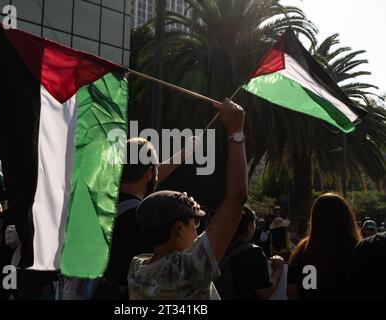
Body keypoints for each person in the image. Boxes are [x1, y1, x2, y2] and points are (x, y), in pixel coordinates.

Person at [127, 99, 248, 300]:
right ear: (178, 229)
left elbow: (143, 187)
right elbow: (237, 199)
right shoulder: (186, 271)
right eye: (195, 221)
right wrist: (236, 132)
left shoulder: (137, 269)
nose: (199, 230)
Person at [62, 136, 200, 300]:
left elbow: (143, 178)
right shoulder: (143, 219)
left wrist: (181, 155)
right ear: (149, 173)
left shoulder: (99, 205)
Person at [287, 193, 361, 300]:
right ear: (347, 217)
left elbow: (293, 292)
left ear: (315, 218)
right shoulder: (357, 249)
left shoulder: (302, 251)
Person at [218, 206, 284, 300]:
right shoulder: (254, 252)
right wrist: (278, 270)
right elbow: (264, 293)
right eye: (255, 223)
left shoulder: (219, 248)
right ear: (250, 226)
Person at [350, 230, 386, 299]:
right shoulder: (364, 245)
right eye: (367, 230)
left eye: (371, 230)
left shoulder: (364, 246)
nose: (370, 232)